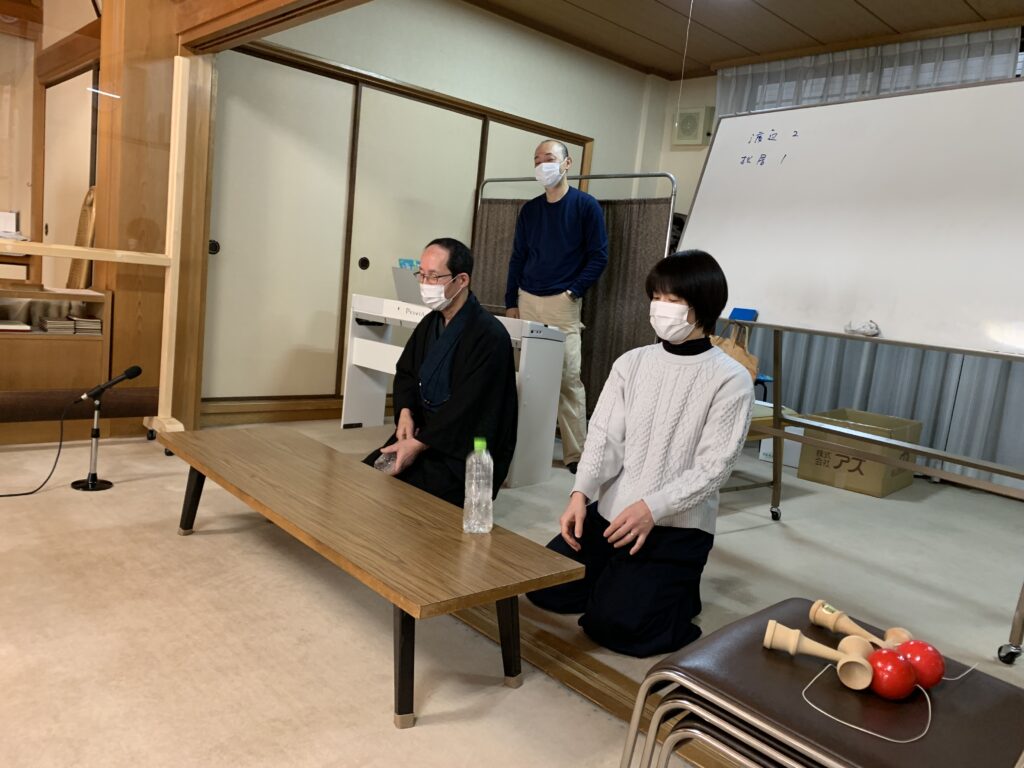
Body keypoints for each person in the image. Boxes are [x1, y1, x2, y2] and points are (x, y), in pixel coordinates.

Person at [527, 250, 753, 658]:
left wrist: (653, 508)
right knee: (542, 585)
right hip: (612, 514)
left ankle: (669, 591)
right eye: (657, 298)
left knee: (616, 628)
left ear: (703, 306)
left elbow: (714, 468)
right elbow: (603, 437)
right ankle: (621, 582)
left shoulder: (730, 378)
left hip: (675, 525)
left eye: (673, 300)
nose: (660, 308)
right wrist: (580, 494)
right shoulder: (631, 363)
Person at [363, 238, 518, 507]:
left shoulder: (490, 335)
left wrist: (419, 444)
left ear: (461, 280)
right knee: (366, 476)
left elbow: (471, 406)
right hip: (422, 432)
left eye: (434, 277)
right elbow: (407, 371)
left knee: (405, 502)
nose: (425, 284)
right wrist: (405, 412)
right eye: (422, 275)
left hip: (460, 450)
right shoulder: (430, 322)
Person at [505, 140, 608, 474]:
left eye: (548, 158)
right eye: (536, 160)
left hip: (562, 303)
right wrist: (511, 301)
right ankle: (519, 443)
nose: (542, 165)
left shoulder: (586, 206)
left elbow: (598, 256)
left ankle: (576, 454)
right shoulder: (530, 210)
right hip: (527, 298)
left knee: (567, 378)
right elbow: (518, 257)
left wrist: (573, 292)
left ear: (567, 163)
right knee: (523, 376)